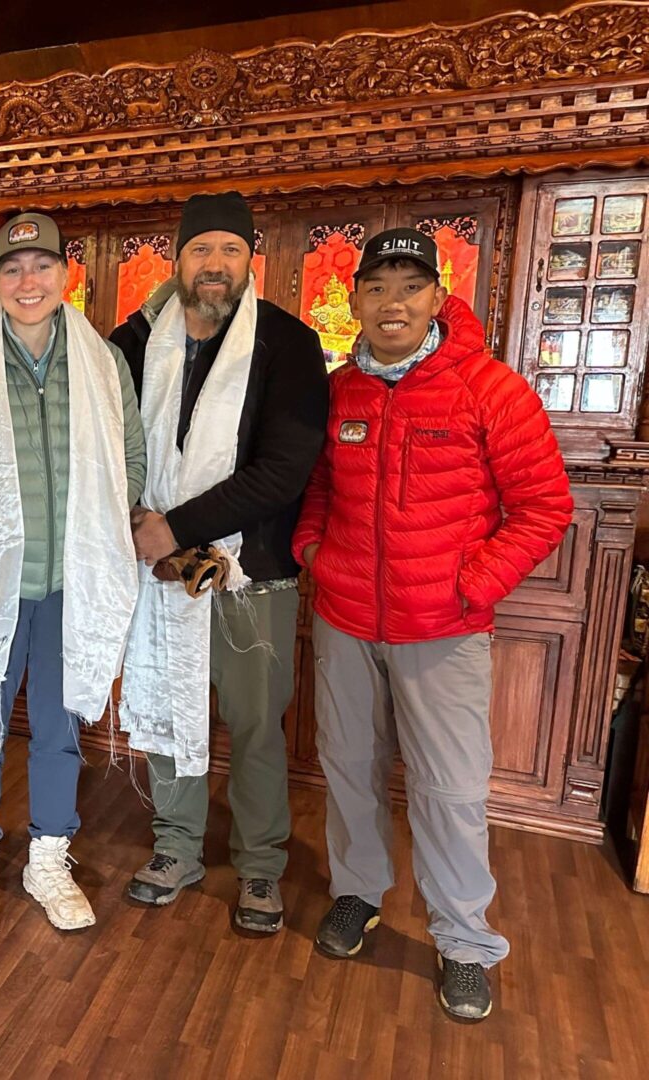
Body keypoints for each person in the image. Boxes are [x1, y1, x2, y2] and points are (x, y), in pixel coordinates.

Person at [292, 228, 573, 1020]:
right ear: (354, 303)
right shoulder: (341, 389)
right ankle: (357, 895)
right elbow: (318, 490)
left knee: (448, 792)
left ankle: (463, 940)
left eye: (409, 287)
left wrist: (471, 585)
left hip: (444, 631)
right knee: (348, 769)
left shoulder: (491, 389)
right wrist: (316, 550)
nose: (392, 303)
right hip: (348, 620)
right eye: (376, 287)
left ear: (437, 299)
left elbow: (545, 506)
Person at [0, 213, 145, 933]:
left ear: (65, 275)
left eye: (42, 267)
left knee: (59, 724)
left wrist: (114, 528)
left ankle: (49, 855)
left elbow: (127, 455)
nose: (29, 281)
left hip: (68, 580)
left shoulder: (98, 360)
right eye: (14, 270)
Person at [113, 192, 328, 934]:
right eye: (201, 250)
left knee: (256, 724)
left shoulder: (287, 345)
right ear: (177, 261)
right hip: (160, 572)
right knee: (172, 710)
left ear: (250, 262)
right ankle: (176, 847)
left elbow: (282, 471)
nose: (215, 265)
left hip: (249, 572)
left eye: (229, 251)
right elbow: (105, 440)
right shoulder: (140, 341)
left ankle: (261, 866)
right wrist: (145, 529)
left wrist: (171, 526)